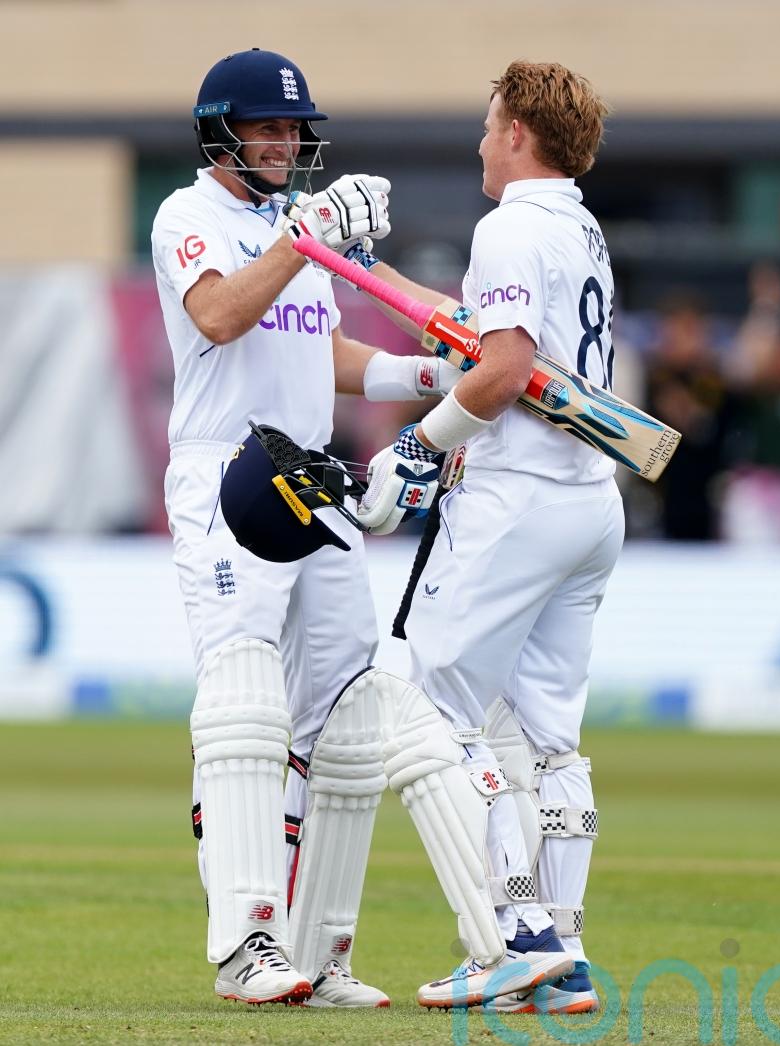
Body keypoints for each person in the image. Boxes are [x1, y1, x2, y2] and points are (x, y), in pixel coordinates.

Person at [151, 47, 458, 1008]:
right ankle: (246, 944)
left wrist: (432, 373)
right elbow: (221, 316)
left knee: (346, 717)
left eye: (294, 129)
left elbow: (319, 352)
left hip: (312, 477)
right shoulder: (187, 216)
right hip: (229, 473)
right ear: (221, 134)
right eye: (268, 128)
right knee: (244, 704)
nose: (286, 143)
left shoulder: (289, 223)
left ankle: (320, 952)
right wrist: (308, 235)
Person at [357, 60, 624, 1012]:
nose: (479, 141)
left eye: (487, 124)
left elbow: (503, 369)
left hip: (518, 496)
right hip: (589, 500)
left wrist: (417, 446)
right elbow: (474, 331)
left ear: (517, 132)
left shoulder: (508, 225)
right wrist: (359, 265)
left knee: (434, 709)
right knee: (551, 741)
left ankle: (515, 936)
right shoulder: (577, 224)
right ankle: (564, 953)